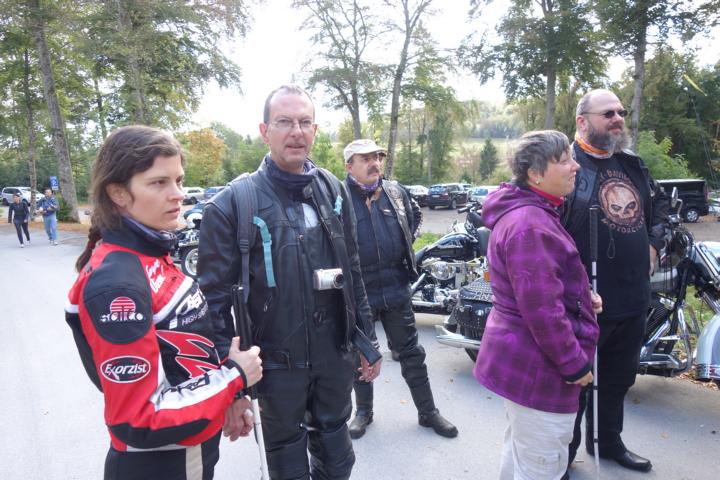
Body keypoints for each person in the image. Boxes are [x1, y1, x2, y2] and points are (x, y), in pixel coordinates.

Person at [198, 85, 382, 480]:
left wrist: (367, 341)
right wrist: (232, 387)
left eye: (304, 122)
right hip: (273, 369)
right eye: (284, 122)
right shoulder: (234, 203)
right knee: (288, 468)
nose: (296, 132)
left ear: (315, 130)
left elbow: (352, 271)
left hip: (333, 358)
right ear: (264, 131)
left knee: (338, 461)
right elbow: (214, 306)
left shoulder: (333, 190)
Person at [64, 125, 263, 480]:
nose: (178, 195)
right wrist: (234, 376)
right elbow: (138, 420)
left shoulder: (151, 250)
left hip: (192, 448)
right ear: (118, 193)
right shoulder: (117, 284)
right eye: (159, 183)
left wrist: (229, 397)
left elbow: (186, 353)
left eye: (179, 180)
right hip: (160, 463)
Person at [474, 130, 601, 480]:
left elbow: (540, 287)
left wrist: (582, 298)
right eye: (564, 160)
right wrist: (574, 365)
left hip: (528, 362)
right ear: (535, 174)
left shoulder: (534, 212)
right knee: (540, 466)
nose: (575, 166)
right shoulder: (530, 224)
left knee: (520, 454)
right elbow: (542, 312)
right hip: (540, 370)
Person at [563, 89, 669, 473]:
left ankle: (607, 443)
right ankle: (564, 454)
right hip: (583, 301)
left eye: (621, 112)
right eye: (608, 113)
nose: (618, 118)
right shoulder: (565, 165)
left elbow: (661, 208)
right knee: (576, 384)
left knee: (618, 380)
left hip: (633, 297)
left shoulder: (632, 164)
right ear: (582, 121)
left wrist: (654, 244)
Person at [342, 139, 458, 439]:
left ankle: (428, 412)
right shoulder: (338, 197)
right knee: (360, 354)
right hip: (359, 291)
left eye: (377, 157)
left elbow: (415, 218)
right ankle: (364, 412)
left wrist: (405, 244)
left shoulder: (396, 192)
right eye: (366, 158)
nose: (375, 163)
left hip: (395, 286)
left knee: (412, 354)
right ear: (349, 166)